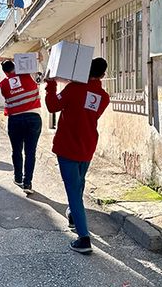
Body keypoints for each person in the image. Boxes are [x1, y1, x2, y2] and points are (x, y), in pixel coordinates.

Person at [44, 57, 110, 254]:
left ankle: (84, 238)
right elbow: (90, 114)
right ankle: (74, 215)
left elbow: (53, 106)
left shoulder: (74, 89)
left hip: (67, 147)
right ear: (103, 75)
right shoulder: (103, 96)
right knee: (79, 183)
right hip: (87, 146)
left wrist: (50, 87)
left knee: (73, 191)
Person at [0, 60, 42, 194]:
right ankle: (27, 183)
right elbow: (40, 77)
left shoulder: (3, 84)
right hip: (33, 118)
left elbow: (7, 95)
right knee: (30, 152)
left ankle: (18, 178)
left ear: (5, 72)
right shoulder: (28, 76)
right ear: (16, 67)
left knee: (16, 150)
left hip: (15, 120)